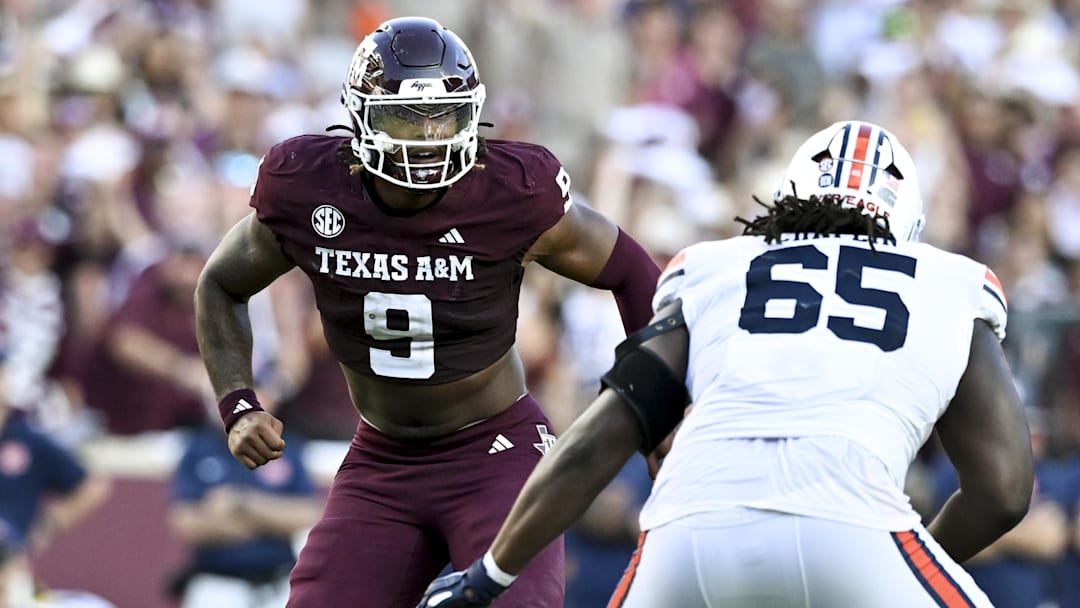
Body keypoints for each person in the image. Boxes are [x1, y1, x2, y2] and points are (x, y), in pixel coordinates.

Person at [417, 120, 1036, 608]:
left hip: (688, 536)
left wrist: (488, 575)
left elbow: (598, 437)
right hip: (855, 525)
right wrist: (894, 566)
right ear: (911, 226)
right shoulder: (947, 282)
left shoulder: (721, 268)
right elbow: (1004, 491)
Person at [193, 16, 660, 608]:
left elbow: (631, 270)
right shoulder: (308, 186)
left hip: (496, 453)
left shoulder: (511, 191)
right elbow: (220, 284)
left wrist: (656, 403)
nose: (427, 138)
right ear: (360, 116)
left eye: (444, 115)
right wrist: (237, 402)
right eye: (403, 118)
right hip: (382, 458)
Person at [167, 424, 323, 608]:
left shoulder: (287, 447)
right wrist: (270, 523)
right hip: (217, 584)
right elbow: (185, 522)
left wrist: (242, 504)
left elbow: (309, 515)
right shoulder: (198, 449)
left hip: (276, 583)